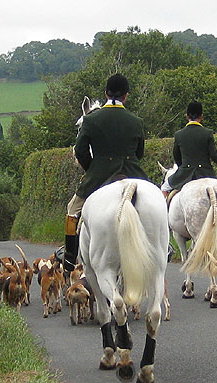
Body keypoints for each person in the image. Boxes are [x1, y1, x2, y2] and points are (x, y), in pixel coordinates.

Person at [63, 73, 148, 272]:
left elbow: (80, 151)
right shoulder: (136, 121)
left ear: (106, 93)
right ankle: (165, 246)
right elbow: (139, 153)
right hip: (133, 172)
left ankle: (69, 257)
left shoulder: (91, 120)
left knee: (72, 210)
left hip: (99, 174)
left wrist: (93, 168)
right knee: (159, 204)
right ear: (126, 96)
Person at [161, 101, 217, 198]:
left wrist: (184, 166)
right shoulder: (208, 133)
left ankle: (166, 211)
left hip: (185, 174)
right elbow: (214, 155)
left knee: (164, 187)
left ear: (187, 116)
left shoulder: (179, 134)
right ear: (201, 116)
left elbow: (176, 156)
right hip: (206, 173)